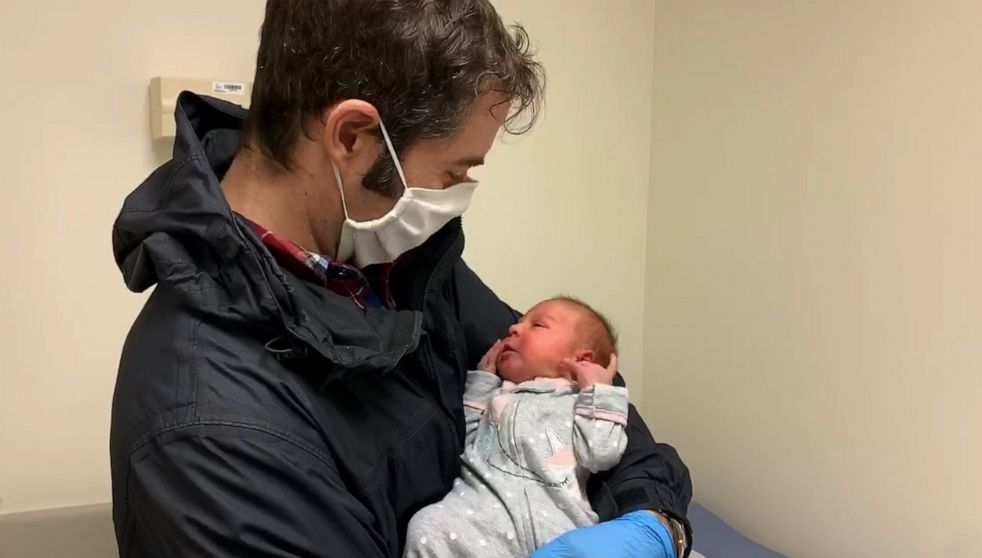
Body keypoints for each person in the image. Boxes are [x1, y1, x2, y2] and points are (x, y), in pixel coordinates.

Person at [109, 1, 693, 557]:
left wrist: (656, 523)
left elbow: (575, 388)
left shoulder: (404, 268)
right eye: (455, 170)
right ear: (352, 138)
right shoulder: (211, 436)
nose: (459, 194)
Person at [405, 297, 680, 558]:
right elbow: (467, 445)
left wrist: (601, 391)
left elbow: (601, 454)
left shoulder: (580, 403)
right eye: (519, 322)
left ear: (582, 360)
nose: (513, 327)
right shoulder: (499, 396)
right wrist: (482, 382)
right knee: (427, 523)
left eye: (537, 325)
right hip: (477, 520)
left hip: (556, 528)